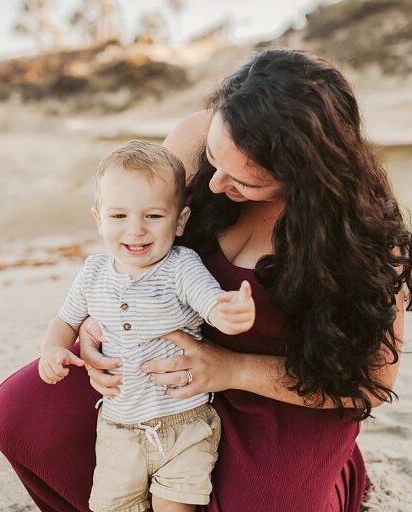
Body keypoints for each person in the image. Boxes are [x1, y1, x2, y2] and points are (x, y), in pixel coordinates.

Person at [0, 48, 412, 512]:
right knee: (22, 417)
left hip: (277, 397)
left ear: (304, 175)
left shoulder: (361, 238)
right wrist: (95, 325)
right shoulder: (194, 138)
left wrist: (232, 369)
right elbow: (131, 235)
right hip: (153, 371)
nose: (214, 185)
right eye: (215, 159)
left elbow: (372, 381)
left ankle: (338, 475)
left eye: (245, 182)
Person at [38, 139, 255, 512]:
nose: (135, 230)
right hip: (118, 428)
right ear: (99, 219)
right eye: (119, 216)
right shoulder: (93, 273)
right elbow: (65, 321)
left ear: (180, 221)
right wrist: (52, 350)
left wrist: (232, 314)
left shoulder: (181, 267)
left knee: (174, 506)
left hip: (184, 424)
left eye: (153, 216)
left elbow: (211, 305)